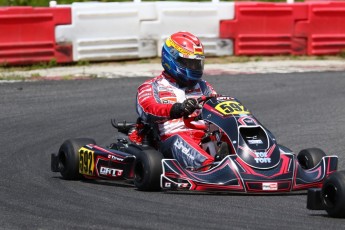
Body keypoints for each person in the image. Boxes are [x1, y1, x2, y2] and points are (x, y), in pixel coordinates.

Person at [135, 31, 226, 170]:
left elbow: (218, 105)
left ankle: (255, 161)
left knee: (231, 131)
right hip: (172, 139)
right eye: (189, 63)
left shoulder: (203, 86)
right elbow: (147, 109)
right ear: (172, 59)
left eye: (197, 64)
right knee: (180, 141)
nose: (194, 68)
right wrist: (177, 109)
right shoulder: (152, 86)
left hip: (204, 136)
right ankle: (210, 168)